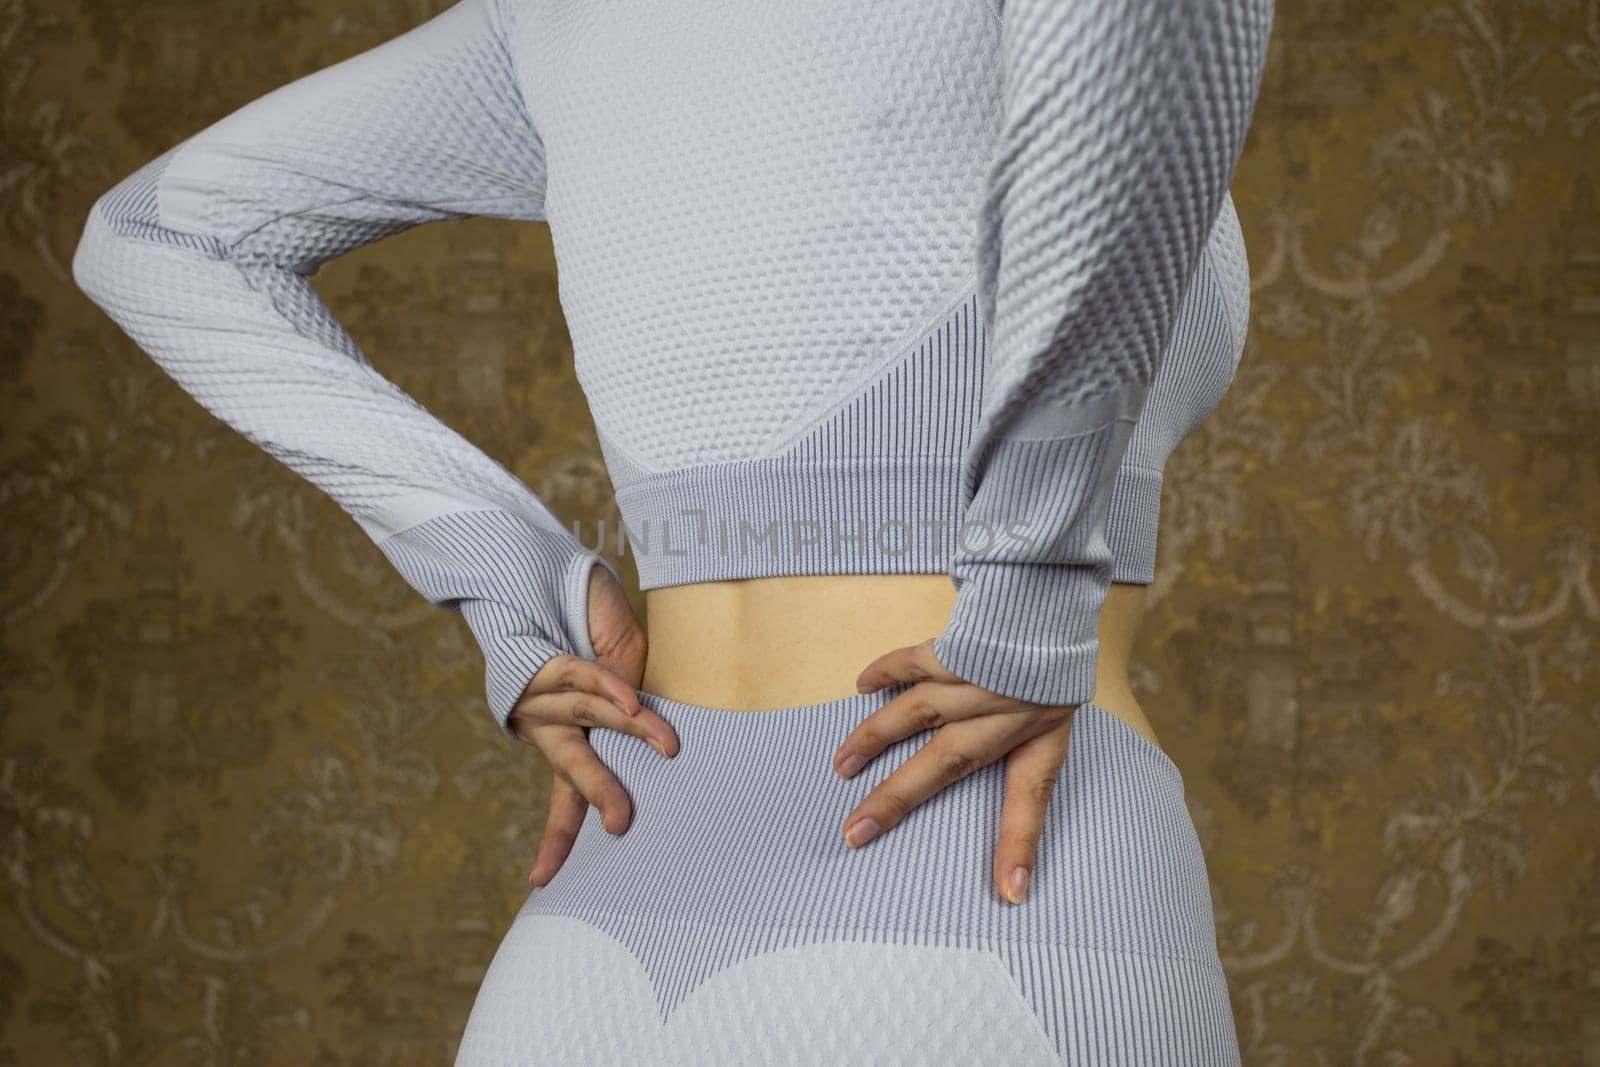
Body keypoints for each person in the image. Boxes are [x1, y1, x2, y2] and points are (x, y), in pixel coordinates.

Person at [71, 0, 1274, 1061]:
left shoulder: (543, 22)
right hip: (982, 879)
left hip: (612, 891)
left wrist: (516, 583)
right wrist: (1029, 579)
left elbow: (153, 236)